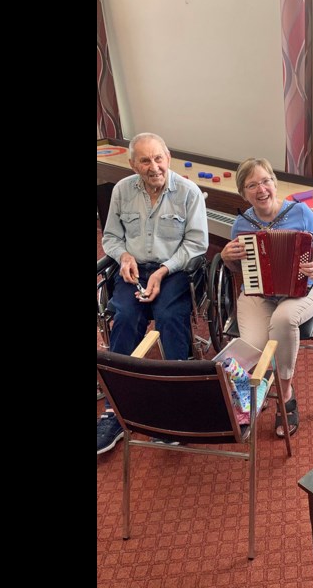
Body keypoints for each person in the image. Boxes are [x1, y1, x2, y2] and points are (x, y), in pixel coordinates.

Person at [97, 132, 208, 454]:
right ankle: (116, 409)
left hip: (172, 269)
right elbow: (112, 237)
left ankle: (176, 403)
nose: (153, 166)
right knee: (126, 318)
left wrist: (163, 270)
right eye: (144, 160)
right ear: (133, 164)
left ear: (168, 158)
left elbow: (197, 244)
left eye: (158, 158)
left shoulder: (188, 193)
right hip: (132, 269)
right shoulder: (121, 191)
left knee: (170, 317)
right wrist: (125, 257)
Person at [220, 157, 313, 437]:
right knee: (253, 346)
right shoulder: (241, 224)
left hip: (305, 289)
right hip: (259, 292)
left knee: (282, 321)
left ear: (274, 182)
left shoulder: (302, 214)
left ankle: (285, 394)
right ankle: (253, 393)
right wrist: (225, 257)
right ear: (243, 193)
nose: (261, 189)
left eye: (266, 181)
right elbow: (238, 269)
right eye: (252, 185)